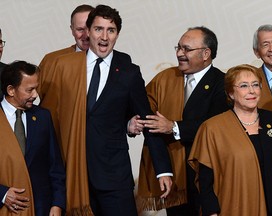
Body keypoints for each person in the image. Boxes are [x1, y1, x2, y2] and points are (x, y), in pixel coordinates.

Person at [38, 4, 172, 216]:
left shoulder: (128, 72)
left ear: (117, 34)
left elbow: (146, 120)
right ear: (88, 31)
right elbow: (49, 115)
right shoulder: (66, 66)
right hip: (74, 173)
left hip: (113, 174)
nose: (104, 36)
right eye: (98, 29)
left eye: (111, 30)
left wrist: (163, 170)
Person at [137, 26, 228, 216]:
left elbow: (216, 124)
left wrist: (173, 127)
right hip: (173, 174)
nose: (179, 53)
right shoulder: (166, 78)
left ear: (206, 53)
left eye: (186, 49)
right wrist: (132, 121)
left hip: (205, 173)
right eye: (178, 48)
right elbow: (142, 106)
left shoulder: (223, 83)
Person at [188, 64, 272, 216]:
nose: (251, 91)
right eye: (243, 86)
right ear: (231, 93)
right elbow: (205, 180)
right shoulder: (213, 128)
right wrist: (211, 211)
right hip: (234, 207)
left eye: (255, 85)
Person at [0, 61, 66, 216]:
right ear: (11, 90)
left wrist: (57, 204)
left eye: (36, 88)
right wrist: (2, 194)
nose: (35, 95)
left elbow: (55, 167)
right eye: (30, 90)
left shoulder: (43, 117)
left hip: (41, 208)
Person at [38, 4, 94, 98]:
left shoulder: (115, 62)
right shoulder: (51, 61)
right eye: (80, 29)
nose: (86, 35)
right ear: (72, 30)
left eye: (90, 28)